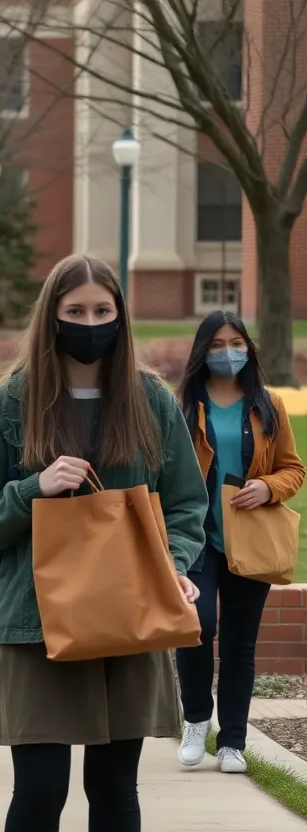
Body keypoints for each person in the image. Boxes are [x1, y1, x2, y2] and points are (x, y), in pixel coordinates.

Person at [0, 254, 207, 832]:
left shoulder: (152, 401)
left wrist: (175, 562)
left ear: (120, 316)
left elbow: (189, 503)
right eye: (75, 311)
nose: (89, 322)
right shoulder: (9, 404)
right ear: (52, 316)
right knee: (40, 792)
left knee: (115, 790)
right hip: (37, 625)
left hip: (130, 618)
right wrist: (32, 488)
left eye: (101, 310)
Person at [174, 310, 304, 774]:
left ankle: (232, 743)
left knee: (239, 645)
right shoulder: (183, 405)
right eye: (215, 344)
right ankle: (195, 721)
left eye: (235, 342)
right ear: (201, 351)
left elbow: (294, 468)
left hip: (250, 540)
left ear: (247, 347)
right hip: (197, 540)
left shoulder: (267, 405)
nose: (226, 351)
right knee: (195, 627)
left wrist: (269, 487)